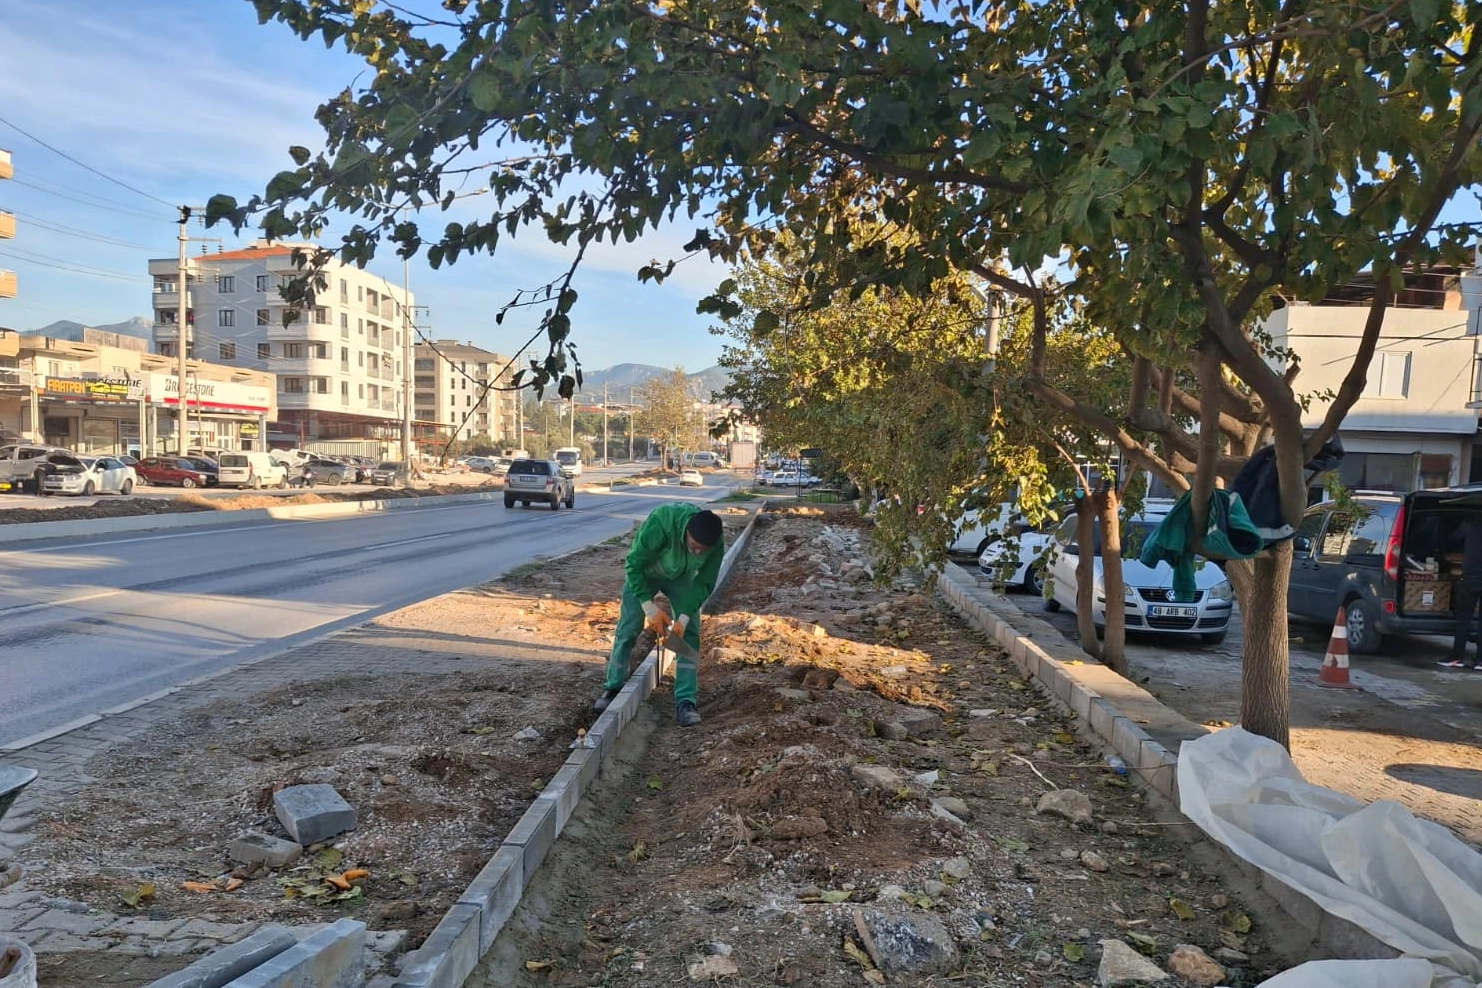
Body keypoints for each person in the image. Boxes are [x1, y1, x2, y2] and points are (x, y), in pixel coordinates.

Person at [593, 504, 725, 726]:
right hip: (645, 574)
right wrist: (649, 607)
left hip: (681, 578)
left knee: (690, 633)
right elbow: (633, 565)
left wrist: (682, 619)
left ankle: (686, 701)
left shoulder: (716, 542)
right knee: (629, 627)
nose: (698, 552)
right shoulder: (662, 523)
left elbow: (704, 583)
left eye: (703, 550)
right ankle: (613, 687)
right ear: (686, 534)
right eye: (694, 546)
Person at [1440, 516, 1482, 669]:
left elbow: (1452, 539)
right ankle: (1480, 661)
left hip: (1471, 578)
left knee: (1463, 619)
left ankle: (1457, 657)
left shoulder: (1471, 525)